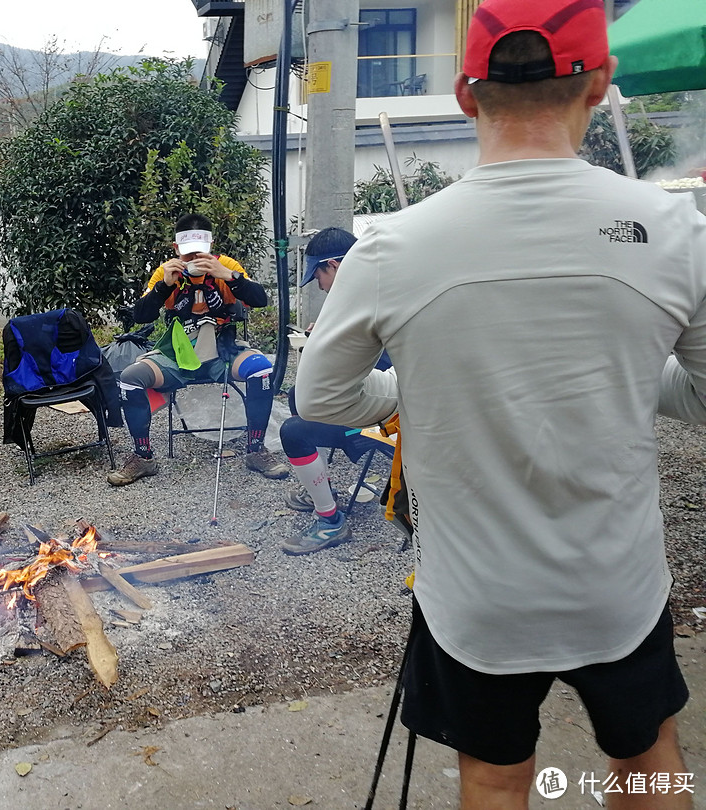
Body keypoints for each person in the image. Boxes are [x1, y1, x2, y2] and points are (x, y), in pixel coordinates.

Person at [296, 1, 706, 806]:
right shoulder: (675, 228)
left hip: (475, 599)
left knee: (492, 776)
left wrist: (416, 389)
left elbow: (324, 395)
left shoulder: (391, 245)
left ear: (464, 94)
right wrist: (621, 378)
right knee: (650, 761)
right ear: (601, 86)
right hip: (618, 587)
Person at [108, 213, 290, 486]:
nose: (194, 260)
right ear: (176, 248)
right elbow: (140, 316)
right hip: (178, 354)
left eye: (200, 253)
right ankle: (143, 456)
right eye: (187, 253)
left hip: (222, 351)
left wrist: (228, 276)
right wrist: (163, 287)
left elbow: (260, 299)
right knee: (131, 378)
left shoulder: (225, 266)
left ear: (211, 246)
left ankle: (255, 450)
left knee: (261, 370)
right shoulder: (166, 271)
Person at [279, 227, 394, 555]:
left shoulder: (370, 299)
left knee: (293, 432)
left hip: (383, 413)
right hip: (373, 396)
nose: (320, 284)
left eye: (319, 275)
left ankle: (330, 521)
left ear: (335, 265)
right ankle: (322, 485)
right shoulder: (374, 288)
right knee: (295, 397)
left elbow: (369, 361)